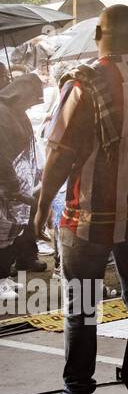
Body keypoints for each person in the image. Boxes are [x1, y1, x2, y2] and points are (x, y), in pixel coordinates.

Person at [30, 6, 128, 394]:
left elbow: (61, 152)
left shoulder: (84, 81)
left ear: (98, 32)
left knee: (82, 308)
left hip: (89, 214)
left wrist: (42, 205)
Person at [0, 75, 47, 298]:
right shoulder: (2, 115)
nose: (30, 105)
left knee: (10, 234)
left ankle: (3, 277)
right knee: (1, 234)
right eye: (29, 101)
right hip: (5, 187)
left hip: (15, 187)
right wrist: (12, 185)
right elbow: (2, 155)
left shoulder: (16, 113)